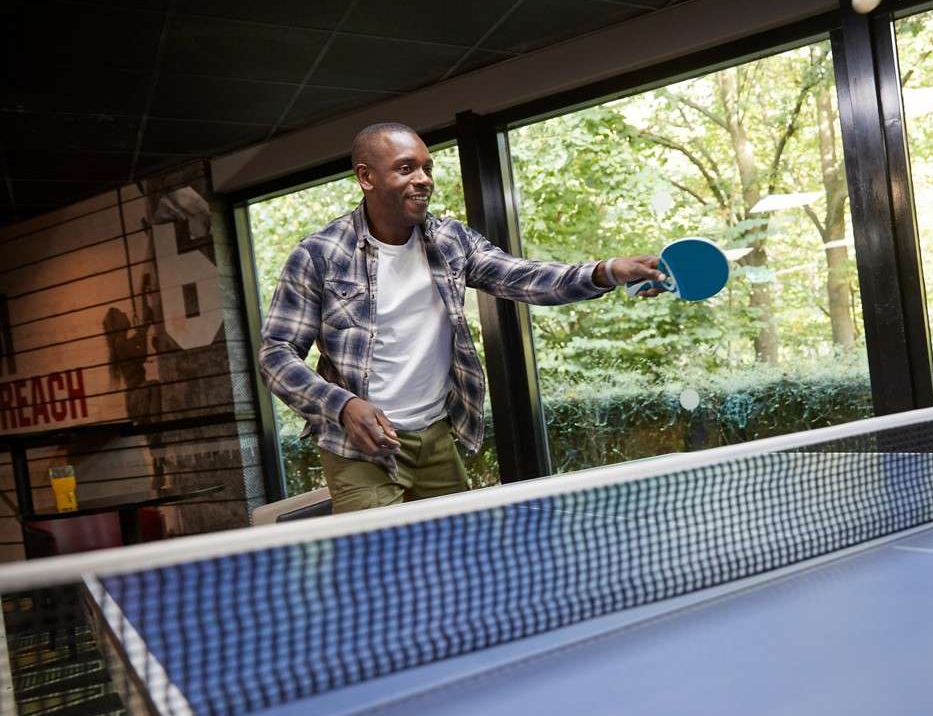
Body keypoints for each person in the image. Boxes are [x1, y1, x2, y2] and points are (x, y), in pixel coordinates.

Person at [259, 122, 665, 514]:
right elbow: (276, 354)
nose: (423, 179)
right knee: (381, 570)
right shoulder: (319, 255)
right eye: (406, 168)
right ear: (366, 177)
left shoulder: (452, 241)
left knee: (454, 560)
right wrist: (343, 406)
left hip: (435, 433)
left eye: (427, 167)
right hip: (359, 444)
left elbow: (524, 278)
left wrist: (607, 271)